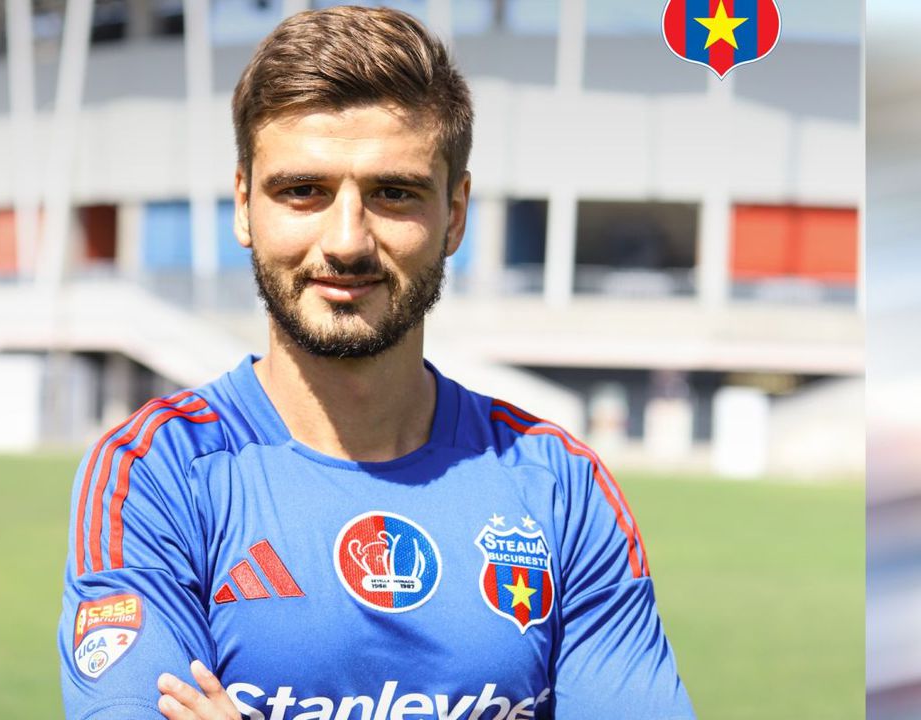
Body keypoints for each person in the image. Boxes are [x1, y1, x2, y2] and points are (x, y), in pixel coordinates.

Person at [58, 6, 695, 720]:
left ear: (455, 214)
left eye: (393, 194)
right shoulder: (155, 473)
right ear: (243, 205)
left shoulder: (560, 487)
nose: (347, 241)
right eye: (302, 191)